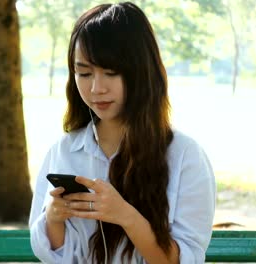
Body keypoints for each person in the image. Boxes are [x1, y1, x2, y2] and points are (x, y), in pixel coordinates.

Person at [28, 2, 215, 263]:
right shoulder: (63, 151)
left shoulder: (185, 156)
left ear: (141, 72)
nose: (96, 88)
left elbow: (182, 259)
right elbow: (57, 254)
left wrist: (125, 215)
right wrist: (54, 218)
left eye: (111, 72)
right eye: (84, 73)